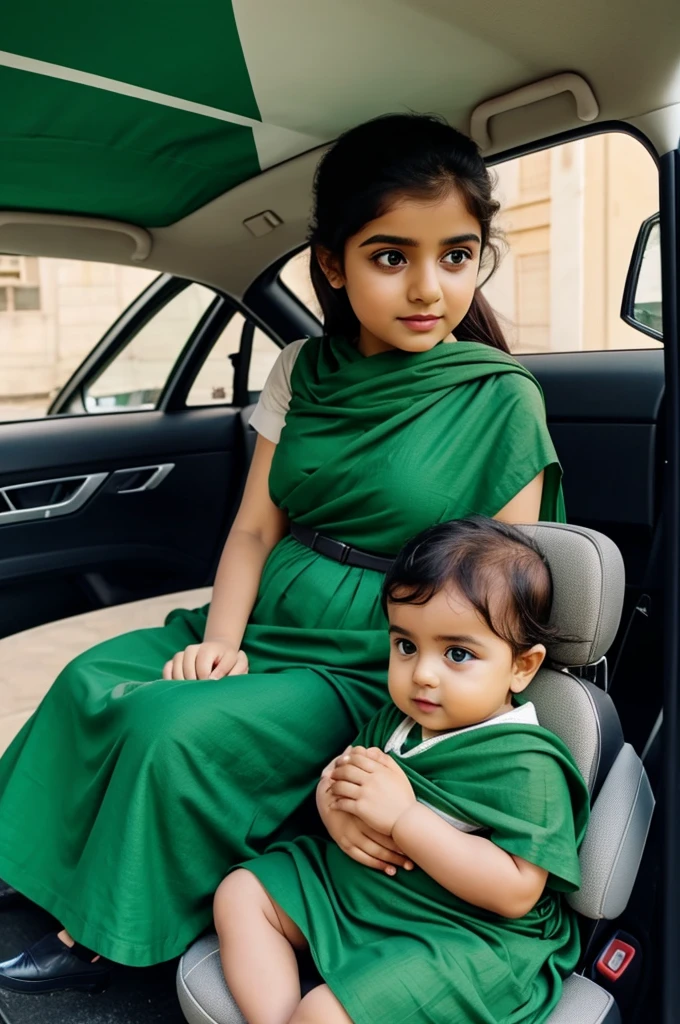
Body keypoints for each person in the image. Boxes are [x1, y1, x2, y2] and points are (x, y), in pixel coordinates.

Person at [0, 113, 566, 993]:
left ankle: (99, 933)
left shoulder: (499, 400)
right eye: (391, 257)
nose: (428, 288)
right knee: (90, 677)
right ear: (334, 265)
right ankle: (32, 860)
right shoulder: (302, 369)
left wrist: (417, 703)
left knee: (169, 728)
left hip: (375, 649)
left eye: (456, 255)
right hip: (267, 611)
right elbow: (257, 528)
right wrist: (223, 637)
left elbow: (494, 590)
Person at [215, 517, 590, 1024]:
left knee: (325, 1012)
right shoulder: (400, 719)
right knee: (241, 894)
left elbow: (516, 891)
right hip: (376, 892)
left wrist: (403, 820)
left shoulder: (526, 760)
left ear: (522, 667)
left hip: (467, 933)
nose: (423, 673)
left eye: (458, 653)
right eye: (406, 646)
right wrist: (335, 809)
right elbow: (344, 770)